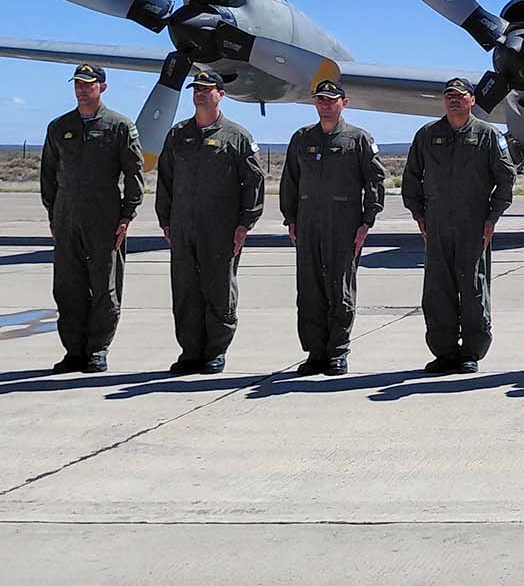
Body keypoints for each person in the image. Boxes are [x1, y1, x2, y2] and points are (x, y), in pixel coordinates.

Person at [402, 77, 518, 375]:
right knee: (438, 289)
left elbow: (506, 179)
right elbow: (412, 178)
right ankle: (444, 351)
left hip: (473, 223)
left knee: (473, 286)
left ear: (472, 100)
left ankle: (472, 351)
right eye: (449, 96)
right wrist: (419, 215)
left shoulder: (487, 135)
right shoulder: (427, 135)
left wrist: (492, 217)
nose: (453, 100)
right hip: (437, 223)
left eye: (460, 95)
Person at [156, 68, 264, 375]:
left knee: (218, 290)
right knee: (186, 291)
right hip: (183, 227)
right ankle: (190, 351)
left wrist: (245, 223)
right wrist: (165, 220)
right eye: (196, 88)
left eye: (206, 88)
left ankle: (216, 351)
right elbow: (166, 179)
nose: (200, 93)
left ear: (221, 94)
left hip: (221, 228)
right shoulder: (178, 134)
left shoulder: (237, 136)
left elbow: (253, 182)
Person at [40, 63, 144, 373]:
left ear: (102, 87)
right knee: (67, 286)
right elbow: (48, 175)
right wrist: (53, 212)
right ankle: (74, 350)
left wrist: (127, 214)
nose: (82, 88)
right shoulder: (59, 127)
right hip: (67, 216)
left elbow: (133, 174)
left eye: (88, 83)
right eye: (78, 83)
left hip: (104, 217)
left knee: (105, 285)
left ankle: (98, 348)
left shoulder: (119, 126)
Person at [279, 78, 386, 375]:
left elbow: (374, 182)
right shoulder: (301, 138)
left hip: (344, 224)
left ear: (344, 103)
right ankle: (315, 352)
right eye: (320, 99)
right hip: (308, 223)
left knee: (339, 288)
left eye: (331, 99)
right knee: (310, 290)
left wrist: (367, 220)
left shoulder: (358, 139)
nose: (325, 104)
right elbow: (290, 181)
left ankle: (337, 351)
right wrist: (290, 219)